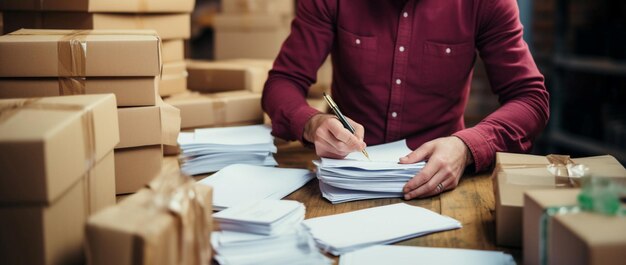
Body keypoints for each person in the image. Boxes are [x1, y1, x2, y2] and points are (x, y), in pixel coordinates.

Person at [262, 0, 550, 200]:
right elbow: (282, 82)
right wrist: (311, 123)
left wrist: (467, 146)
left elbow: (530, 99)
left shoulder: (486, 4)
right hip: (345, 178)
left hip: (444, 180)